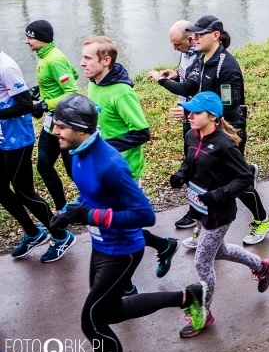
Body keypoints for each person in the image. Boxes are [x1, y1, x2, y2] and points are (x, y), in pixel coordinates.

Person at [49, 94, 210, 352]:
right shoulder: (77, 154)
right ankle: (187, 296)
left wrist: (90, 215)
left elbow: (145, 216)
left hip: (122, 251)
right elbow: (92, 194)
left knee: (92, 323)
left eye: (61, 126)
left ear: (81, 129)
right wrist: (69, 212)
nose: (55, 131)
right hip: (101, 247)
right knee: (110, 312)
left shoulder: (109, 164)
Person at [169, 92, 269, 337]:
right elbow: (189, 161)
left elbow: (245, 177)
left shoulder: (226, 145)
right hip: (198, 207)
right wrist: (181, 174)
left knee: (203, 262)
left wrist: (219, 195)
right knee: (221, 250)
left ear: (213, 116)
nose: (190, 116)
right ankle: (261, 266)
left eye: (196, 112)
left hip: (219, 212)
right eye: (189, 111)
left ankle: (204, 314)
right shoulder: (190, 136)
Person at [164, 15, 269, 246]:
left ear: (215, 36)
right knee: (202, 176)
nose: (194, 37)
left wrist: (190, 113)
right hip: (207, 126)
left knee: (234, 180)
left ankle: (263, 220)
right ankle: (202, 227)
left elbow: (228, 104)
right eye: (193, 34)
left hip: (228, 128)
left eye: (199, 34)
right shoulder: (200, 59)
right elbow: (191, 87)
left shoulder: (228, 66)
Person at [82, 36, 178, 285]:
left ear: (106, 60)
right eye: (82, 57)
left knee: (117, 226)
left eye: (88, 58)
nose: (82, 63)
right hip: (102, 167)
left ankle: (124, 283)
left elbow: (141, 132)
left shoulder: (122, 93)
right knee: (115, 225)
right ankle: (163, 245)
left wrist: (104, 148)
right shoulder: (94, 83)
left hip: (123, 169)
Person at [1, 50, 76, 263]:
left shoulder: (6, 67)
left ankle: (61, 235)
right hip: (1, 136)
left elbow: (25, 105)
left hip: (17, 138)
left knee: (24, 191)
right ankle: (33, 233)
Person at [146, 20, 201, 230]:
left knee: (195, 162)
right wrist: (176, 74)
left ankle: (195, 210)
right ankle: (245, 173)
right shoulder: (186, 51)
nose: (174, 48)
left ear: (190, 39)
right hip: (188, 113)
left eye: (177, 45)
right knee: (193, 158)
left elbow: (189, 87)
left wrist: (161, 80)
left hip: (199, 115)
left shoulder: (200, 54)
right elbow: (186, 77)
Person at [24, 20, 80, 211]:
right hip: (51, 122)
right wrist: (41, 89)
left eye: (30, 37)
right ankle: (62, 209)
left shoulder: (54, 59)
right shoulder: (45, 56)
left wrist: (46, 103)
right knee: (44, 166)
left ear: (42, 38)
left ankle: (96, 203)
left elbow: (73, 92)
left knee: (74, 171)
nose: (26, 41)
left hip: (66, 122)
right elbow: (74, 73)